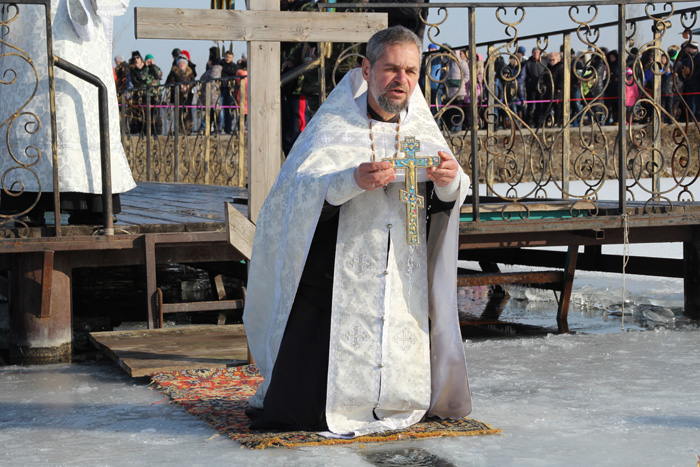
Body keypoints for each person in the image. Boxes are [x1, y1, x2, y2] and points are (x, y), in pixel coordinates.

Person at [243, 25, 472, 436]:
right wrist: (351, 179)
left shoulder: (423, 130)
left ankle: (401, 399)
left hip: (403, 271)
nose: (401, 81)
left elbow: (450, 196)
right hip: (336, 278)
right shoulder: (332, 128)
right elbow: (297, 195)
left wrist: (450, 180)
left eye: (411, 71)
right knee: (299, 411)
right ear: (366, 69)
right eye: (390, 69)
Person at [0, 0, 135, 226]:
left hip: (77, 31)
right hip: (29, 25)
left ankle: (88, 200)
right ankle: (26, 198)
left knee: (76, 107)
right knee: (32, 101)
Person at [219, 51, 238, 134]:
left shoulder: (234, 66)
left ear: (232, 58)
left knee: (229, 110)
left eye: (230, 57)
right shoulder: (220, 64)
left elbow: (235, 73)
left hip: (230, 89)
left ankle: (228, 128)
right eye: (227, 57)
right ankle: (219, 127)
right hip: (220, 88)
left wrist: (224, 70)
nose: (228, 58)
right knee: (218, 109)